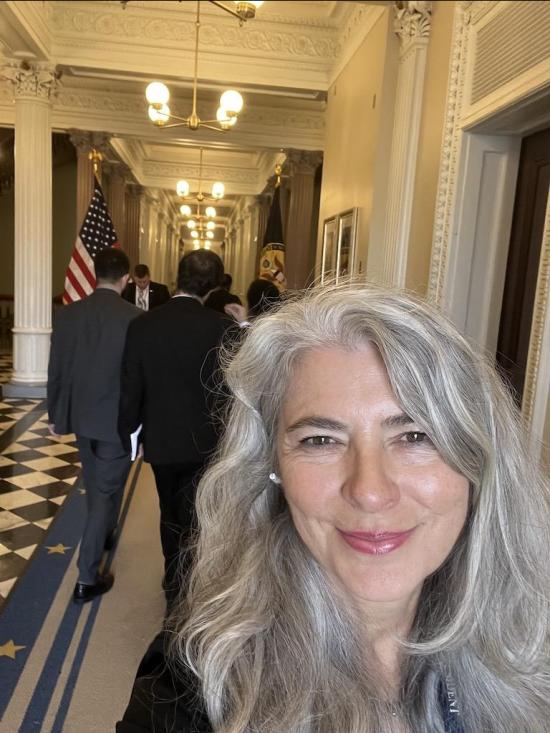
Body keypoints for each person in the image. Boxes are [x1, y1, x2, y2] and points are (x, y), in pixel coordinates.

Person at [118, 284, 550, 732]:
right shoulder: (194, 693)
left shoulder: (529, 637)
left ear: (477, 460)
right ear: (272, 466)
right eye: (321, 440)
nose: (369, 491)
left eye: (415, 436)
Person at [118, 249, 233, 605]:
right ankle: (192, 581)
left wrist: (128, 434)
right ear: (212, 285)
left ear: (176, 276)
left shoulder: (143, 325)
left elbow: (130, 385)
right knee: (198, 515)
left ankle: (174, 582)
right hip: (207, 443)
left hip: (162, 441)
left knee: (169, 513)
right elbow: (230, 394)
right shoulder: (223, 328)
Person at [47, 248, 141, 604]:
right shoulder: (134, 317)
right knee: (102, 492)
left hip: (81, 418)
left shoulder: (69, 314)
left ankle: (103, 533)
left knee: (99, 484)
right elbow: (137, 378)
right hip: (116, 422)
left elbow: (56, 369)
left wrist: (55, 414)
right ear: (125, 279)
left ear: (94, 273)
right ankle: (87, 578)